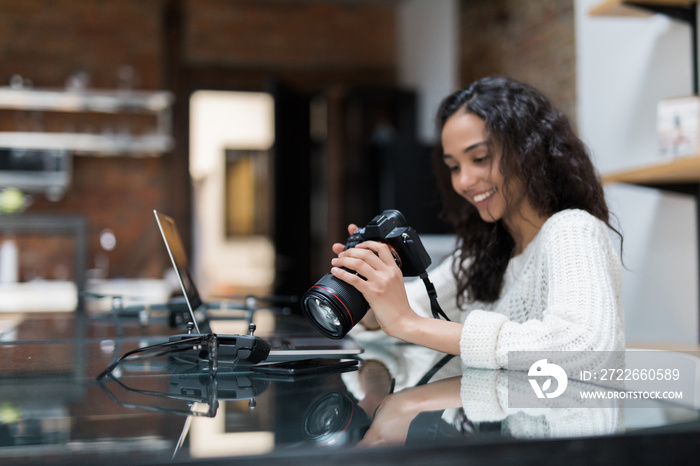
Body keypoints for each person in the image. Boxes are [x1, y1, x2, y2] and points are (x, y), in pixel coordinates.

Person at [330, 76, 624, 369]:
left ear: (529, 151)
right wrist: (366, 290)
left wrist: (408, 323)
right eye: (454, 167)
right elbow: (409, 309)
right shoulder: (483, 255)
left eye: (480, 158)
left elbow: (582, 346)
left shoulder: (573, 230)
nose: (464, 181)